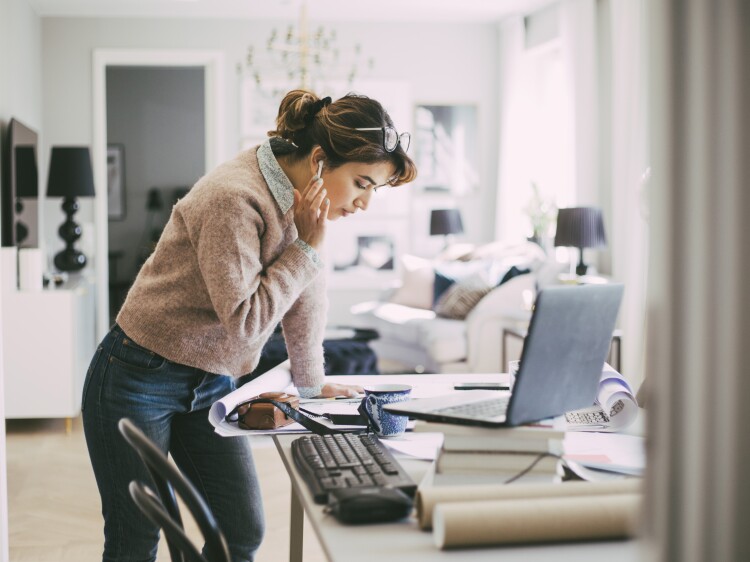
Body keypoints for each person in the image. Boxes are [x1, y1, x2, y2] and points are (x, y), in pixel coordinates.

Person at [82, 89, 417, 562]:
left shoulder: (303, 201)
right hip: (138, 376)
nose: (365, 203)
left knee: (241, 530)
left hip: (211, 380)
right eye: (362, 183)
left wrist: (312, 383)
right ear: (320, 160)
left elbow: (305, 295)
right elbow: (245, 324)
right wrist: (306, 249)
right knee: (137, 535)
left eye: (373, 189)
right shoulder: (232, 199)